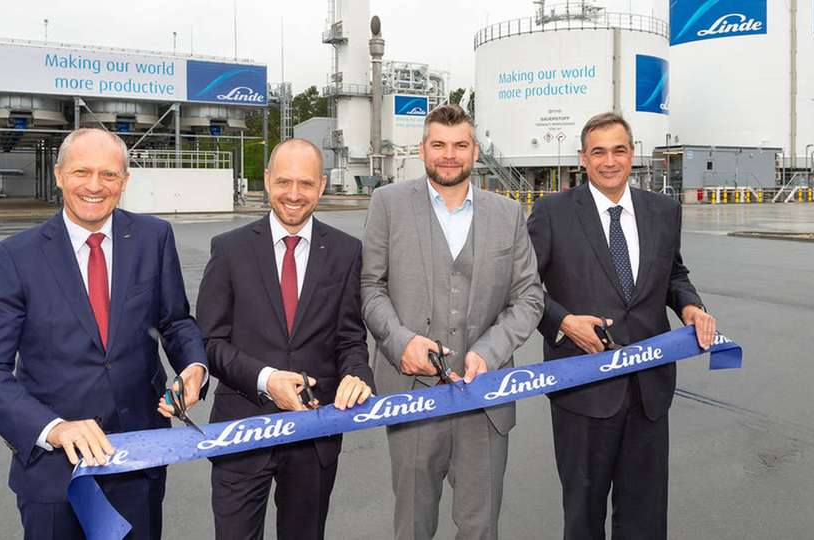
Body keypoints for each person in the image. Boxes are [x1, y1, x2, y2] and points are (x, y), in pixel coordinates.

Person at [0, 128, 208, 539]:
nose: (94, 186)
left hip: (137, 461)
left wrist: (193, 366)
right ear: (58, 175)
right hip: (54, 472)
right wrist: (53, 427)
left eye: (109, 175)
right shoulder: (17, 257)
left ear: (125, 181)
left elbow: (176, 321)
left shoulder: (153, 237)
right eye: (81, 172)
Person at [527, 112, 717, 539]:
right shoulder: (552, 213)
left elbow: (674, 275)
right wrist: (563, 322)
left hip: (648, 391)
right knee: (583, 515)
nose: (608, 161)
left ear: (633, 154)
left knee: (645, 517)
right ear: (583, 158)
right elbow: (523, 286)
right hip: (583, 390)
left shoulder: (664, 211)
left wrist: (691, 308)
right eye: (598, 152)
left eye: (618, 150)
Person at [361, 104, 544, 540]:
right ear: (423, 149)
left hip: (485, 401)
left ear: (475, 150)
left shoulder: (508, 214)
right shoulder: (387, 204)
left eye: (460, 145)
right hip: (413, 399)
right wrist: (399, 341)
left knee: (481, 528)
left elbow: (530, 296)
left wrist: (491, 350)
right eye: (439, 145)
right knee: (413, 526)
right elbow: (371, 287)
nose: (449, 155)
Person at [197, 138, 374, 540]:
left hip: (314, 434)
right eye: (284, 182)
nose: (294, 195)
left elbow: (350, 338)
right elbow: (210, 340)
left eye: (306, 184)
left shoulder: (346, 251)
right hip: (242, 429)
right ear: (266, 181)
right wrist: (265, 379)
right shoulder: (229, 250)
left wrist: (358, 375)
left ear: (322, 186)